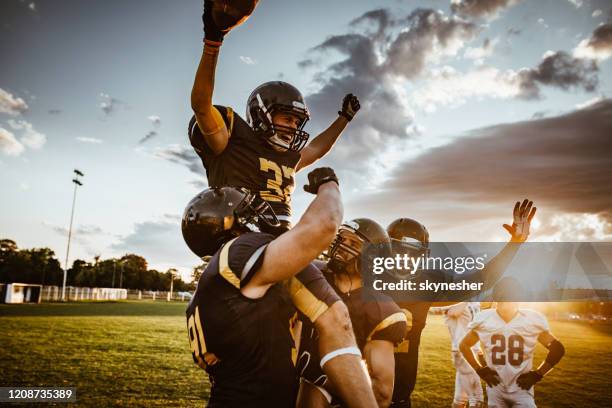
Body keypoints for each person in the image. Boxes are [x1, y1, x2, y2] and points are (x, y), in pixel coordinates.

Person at [183, 168, 377, 407]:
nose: (261, 212)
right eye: (249, 209)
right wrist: (329, 185)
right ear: (233, 223)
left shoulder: (208, 289)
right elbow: (324, 225)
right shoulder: (240, 250)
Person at [189, 0, 360, 234]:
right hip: (239, 238)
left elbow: (317, 148)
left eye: (297, 122)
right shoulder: (231, 143)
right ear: (261, 115)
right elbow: (201, 106)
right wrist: (212, 43)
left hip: (279, 244)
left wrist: (344, 118)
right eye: (288, 119)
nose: (293, 128)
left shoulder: (287, 158)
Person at [389, 199, 537, 408]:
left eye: (413, 254)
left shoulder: (424, 283)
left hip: (398, 398)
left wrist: (515, 244)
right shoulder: (362, 278)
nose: (406, 259)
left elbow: (481, 280)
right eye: (400, 251)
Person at [297, 218, 408, 408]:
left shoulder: (381, 309)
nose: (342, 245)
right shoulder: (313, 273)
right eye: (341, 239)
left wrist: (322, 380)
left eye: (353, 243)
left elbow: (380, 395)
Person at [460, 278, 565, 408]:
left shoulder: (530, 319)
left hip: (521, 389)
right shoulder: (485, 319)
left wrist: (537, 375)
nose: (505, 303)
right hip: (495, 388)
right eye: (502, 298)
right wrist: (480, 370)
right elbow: (464, 345)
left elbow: (557, 349)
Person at [442, 302, 485, 408]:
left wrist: (478, 349)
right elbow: (453, 313)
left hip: (473, 348)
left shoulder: (475, 302)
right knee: (476, 398)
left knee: (460, 399)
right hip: (461, 351)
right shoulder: (454, 301)